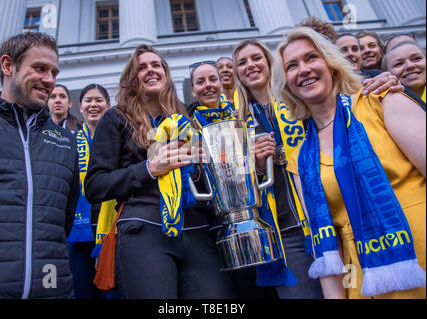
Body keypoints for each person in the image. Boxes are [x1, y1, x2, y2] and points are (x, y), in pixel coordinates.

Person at [274, 26, 426, 299]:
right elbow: (326, 252)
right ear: (286, 82)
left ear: (331, 65)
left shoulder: (381, 101)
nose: (303, 69)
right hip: (365, 283)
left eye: (312, 58)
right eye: (292, 66)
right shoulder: (299, 160)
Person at [84, 44, 236, 299]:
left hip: (196, 231)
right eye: (141, 67)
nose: (150, 70)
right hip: (144, 229)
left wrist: (202, 164)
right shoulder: (115, 118)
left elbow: (204, 183)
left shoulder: (187, 117)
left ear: (166, 73)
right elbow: (95, 185)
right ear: (132, 79)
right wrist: (150, 168)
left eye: (156, 65)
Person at [0, 32, 79, 298]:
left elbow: (63, 220)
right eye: (40, 68)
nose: (50, 80)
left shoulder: (65, 141)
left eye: (54, 72)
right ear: (8, 66)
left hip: (51, 289)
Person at [232, 39, 324, 299]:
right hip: (284, 232)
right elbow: (239, 186)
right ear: (237, 72)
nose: (250, 65)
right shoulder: (238, 122)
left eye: (256, 58)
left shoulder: (300, 97)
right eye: (242, 62)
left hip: (325, 217)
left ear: (269, 61)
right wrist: (260, 168)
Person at [66, 83, 119, 299]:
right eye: (88, 100)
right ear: (80, 106)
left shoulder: (119, 141)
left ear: (108, 105)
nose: (93, 105)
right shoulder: (69, 143)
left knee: (112, 293)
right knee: (82, 294)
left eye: (99, 100)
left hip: (112, 232)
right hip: (79, 234)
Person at [336, 33, 425, 110]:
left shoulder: (379, 75)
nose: (350, 53)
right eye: (343, 50)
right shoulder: (332, 87)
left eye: (355, 49)